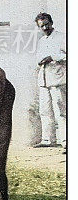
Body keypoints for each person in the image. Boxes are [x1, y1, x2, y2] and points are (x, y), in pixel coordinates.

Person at [34, 12, 66, 153]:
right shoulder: (42, 41)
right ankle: (47, 139)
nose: (45, 28)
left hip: (58, 79)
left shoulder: (62, 37)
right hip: (44, 79)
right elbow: (37, 58)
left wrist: (52, 57)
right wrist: (40, 61)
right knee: (45, 110)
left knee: (61, 111)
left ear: (51, 23)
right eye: (42, 26)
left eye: (47, 24)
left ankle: (66, 141)